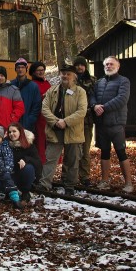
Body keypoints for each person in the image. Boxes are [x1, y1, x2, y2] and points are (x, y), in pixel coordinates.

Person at [40, 64, 87, 195]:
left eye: (68, 74)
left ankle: (69, 185)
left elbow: (82, 111)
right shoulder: (52, 91)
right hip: (54, 129)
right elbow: (44, 108)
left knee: (72, 159)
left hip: (73, 131)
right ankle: (45, 184)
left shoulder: (80, 92)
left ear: (74, 77)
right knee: (50, 158)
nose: (65, 76)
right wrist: (55, 122)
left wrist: (65, 122)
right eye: (63, 73)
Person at [90, 56, 133, 193]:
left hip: (116, 123)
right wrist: (94, 105)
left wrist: (103, 108)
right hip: (101, 124)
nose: (108, 66)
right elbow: (92, 95)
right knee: (104, 152)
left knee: (121, 152)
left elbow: (122, 99)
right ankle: (104, 181)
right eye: (106, 64)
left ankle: (128, 183)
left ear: (118, 66)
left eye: (111, 64)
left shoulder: (124, 81)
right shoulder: (99, 82)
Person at [73, 56, 97, 186]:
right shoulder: (70, 80)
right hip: (73, 120)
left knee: (85, 149)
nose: (79, 67)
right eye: (77, 65)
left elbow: (96, 97)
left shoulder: (92, 80)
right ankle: (72, 175)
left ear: (85, 66)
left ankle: (85, 176)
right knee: (73, 149)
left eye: (81, 65)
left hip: (87, 120)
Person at [7, 122, 42, 203]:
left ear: (20, 132)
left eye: (14, 131)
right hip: (9, 175)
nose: (11, 134)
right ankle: (9, 191)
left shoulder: (28, 144)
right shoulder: (6, 144)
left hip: (22, 175)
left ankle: (25, 192)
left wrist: (25, 159)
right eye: (9, 132)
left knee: (28, 168)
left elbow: (38, 163)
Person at [0, 66, 24, 133]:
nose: (0, 78)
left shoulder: (13, 90)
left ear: (5, 77)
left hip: (7, 129)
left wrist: (11, 121)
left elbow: (19, 108)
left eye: (2, 75)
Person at [10, 58, 42, 134]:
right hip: (12, 124)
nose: (20, 69)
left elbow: (36, 106)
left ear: (26, 69)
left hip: (28, 125)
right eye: (18, 67)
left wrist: (29, 121)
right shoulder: (10, 85)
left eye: (23, 67)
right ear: (15, 69)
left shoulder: (33, 86)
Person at [29, 61, 51, 163]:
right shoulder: (32, 84)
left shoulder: (47, 83)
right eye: (38, 70)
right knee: (39, 143)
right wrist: (43, 96)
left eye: (42, 70)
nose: (41, 72)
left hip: (48, 118)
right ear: (33, 72)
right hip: (38, 118)